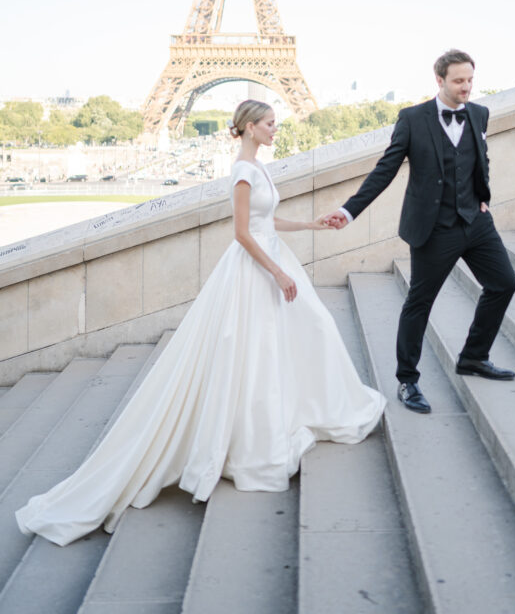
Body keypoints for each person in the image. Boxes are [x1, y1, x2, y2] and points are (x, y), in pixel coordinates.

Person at [16, 101, 385, 546]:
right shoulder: (243, 172)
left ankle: (270, 426)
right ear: (249, 127)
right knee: (260, 352)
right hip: (257, 270)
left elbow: (267, 221)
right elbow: (243, 233)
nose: (275, 130)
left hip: (269, 263)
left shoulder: (258, 168)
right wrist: (279, 272)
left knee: (289, 341)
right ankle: (253, 443)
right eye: (269, 124)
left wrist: (312, 224)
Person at [325, 49, 515, 414]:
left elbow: (480, 156)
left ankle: (474, 356)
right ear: (440, 80)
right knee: (420, 303)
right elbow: (385, 170)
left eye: (470, 80)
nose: (466, 87)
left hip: (476, 222)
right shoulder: (412, 119)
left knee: (504, 283)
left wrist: (482, 195)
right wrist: (348, 210)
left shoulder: (479, 113)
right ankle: (407, 380)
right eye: (459, 81)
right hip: (434, 228)